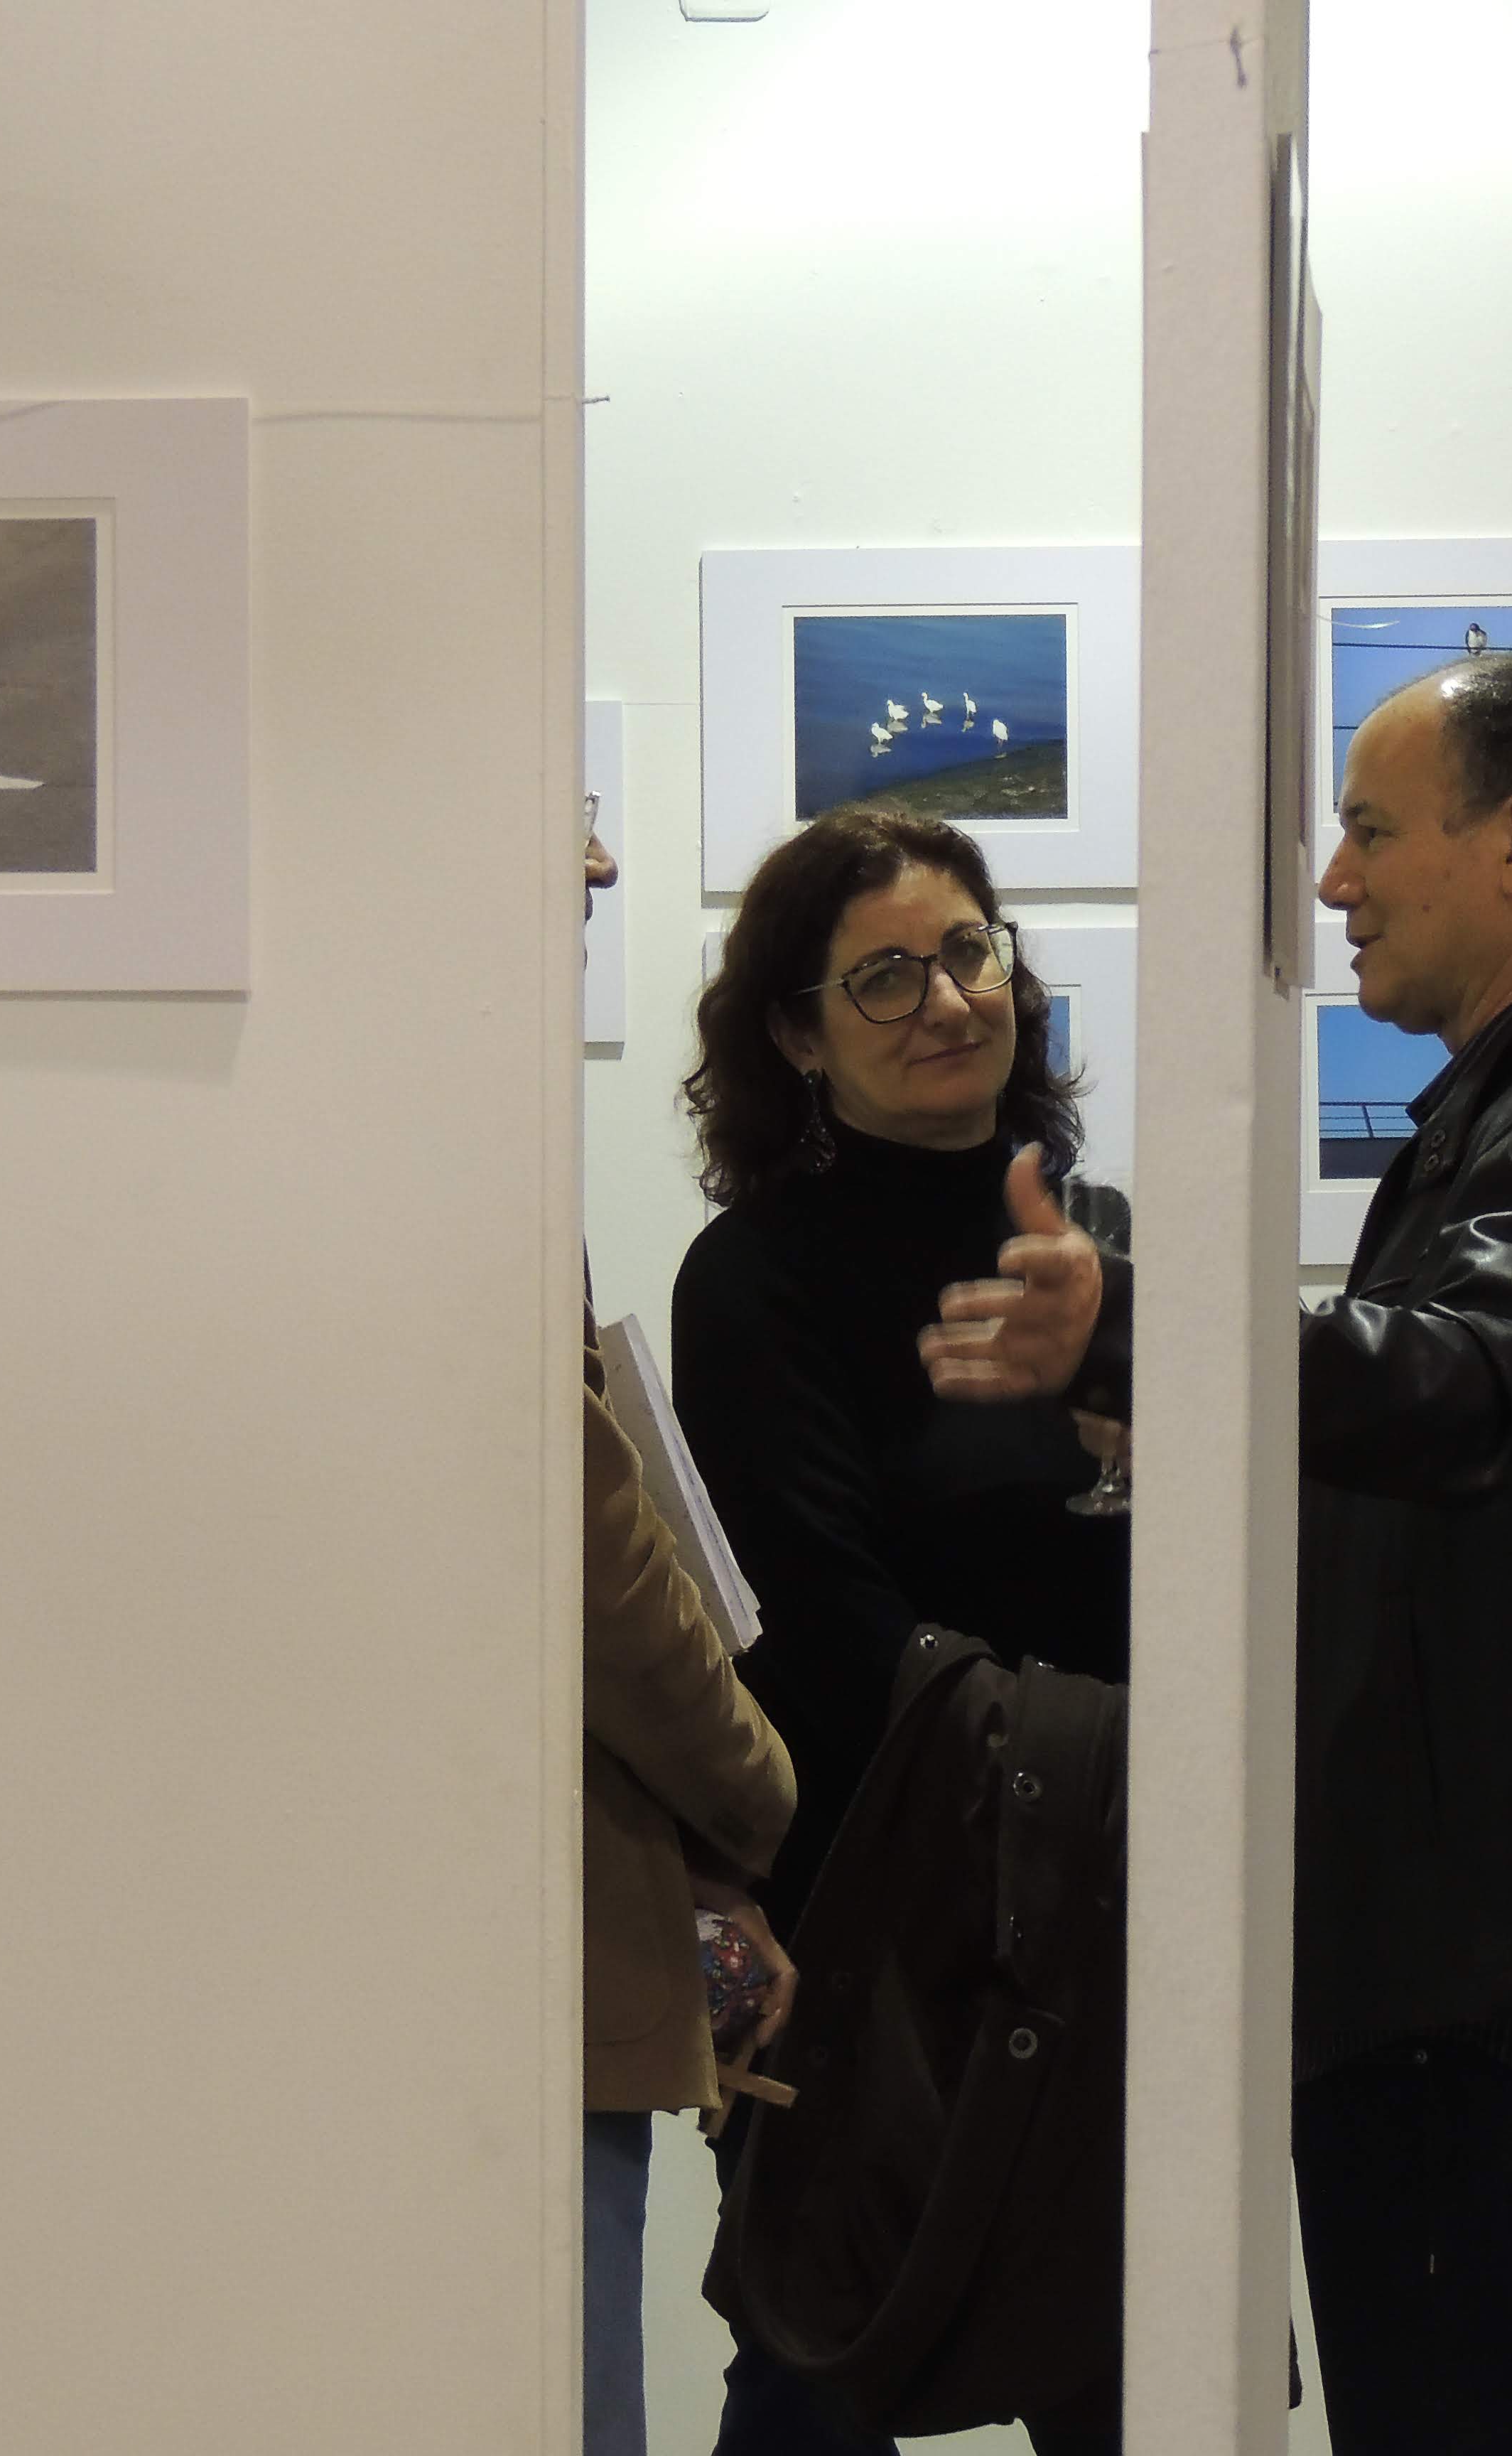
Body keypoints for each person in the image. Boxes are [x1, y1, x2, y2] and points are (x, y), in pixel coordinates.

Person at [922, 657, 1512, 2456]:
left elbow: (1468, 1387)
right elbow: (1457, 1455)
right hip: (1492, 1966)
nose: (1335, 883)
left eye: (1375, 832)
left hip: (1492, 1987)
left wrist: (1141, 1327)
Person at [670, 804, 1130, 2456]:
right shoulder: (753, 1280)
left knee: (1136, 2379)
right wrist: (1077, 1767)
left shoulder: (1096, 1248)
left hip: (1104, 1919)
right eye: (882, 978)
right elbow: (817, 1625)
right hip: (870, 1927)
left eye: (966, 952)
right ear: (797, 1037)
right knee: (819, 2367)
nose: (946, 1001)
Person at [578, 821, 801, 2456]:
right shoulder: (752, 1281)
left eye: (970, 953)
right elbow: (607, 1563)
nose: (599, 864)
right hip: (631, 1913)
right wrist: (760, 1807)